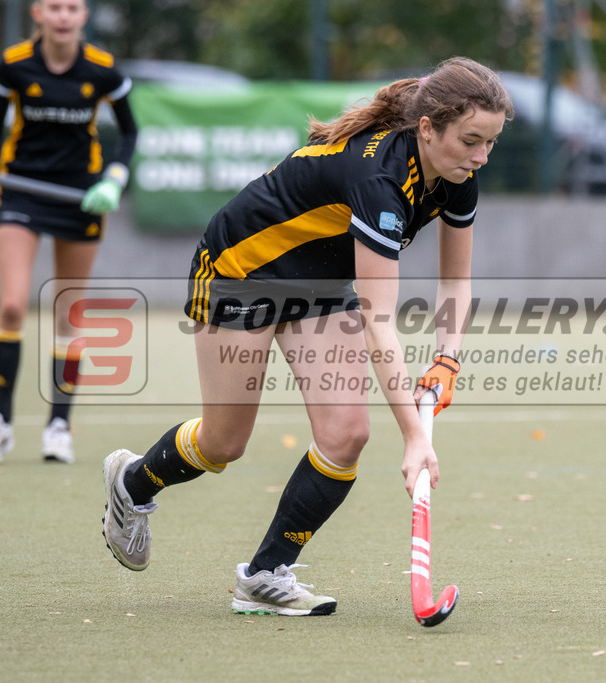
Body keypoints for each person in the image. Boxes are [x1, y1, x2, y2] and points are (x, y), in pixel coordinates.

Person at [101, 57, 512, 616]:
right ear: (427, 128)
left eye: (490, 143)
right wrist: (416, 437)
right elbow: (379, 321)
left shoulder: (458, 178)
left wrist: (447, 360)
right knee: (225, 443)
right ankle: (132, 482)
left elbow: (456, 280)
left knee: (346, 433)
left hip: (317, 286)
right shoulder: (380, 181)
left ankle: (266, 574)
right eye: (470, 141)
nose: (481, 156)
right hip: (238, 273)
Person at [0, 0, 138, 465]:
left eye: (72, 7)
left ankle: (58, 426)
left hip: (81, 195)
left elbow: (129, 132)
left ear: (83, 15)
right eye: (54, 6)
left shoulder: (102, 69)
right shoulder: (15, 63)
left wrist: (114, 178)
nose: (63, 15)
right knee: (13, 305)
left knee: (67, 311)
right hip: (20, 190)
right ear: (38, 12)